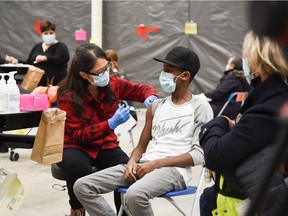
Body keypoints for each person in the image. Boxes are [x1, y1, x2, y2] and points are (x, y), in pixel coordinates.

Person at [73, 46, 214, 216]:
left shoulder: (200, 107)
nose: (163, 74)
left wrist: (155, 164)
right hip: (143, 165)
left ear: (185, 76)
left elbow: (199, 155)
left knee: (134, 194)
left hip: (174, 170)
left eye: (169, 71)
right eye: (163, 69)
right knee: (81, 186)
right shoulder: (156, 107)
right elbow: (140, 146)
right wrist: (132, 161)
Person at [56, 43, 158, 216]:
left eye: (107, 67)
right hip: (75, 145)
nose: (106, 74)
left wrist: (150, 96)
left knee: (129, 172)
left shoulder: (113, 83)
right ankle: (77, 209)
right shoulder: (68, 95)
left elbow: (139, 89)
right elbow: (79, 135)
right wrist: (110, 124)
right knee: (78, 169)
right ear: (83, 74)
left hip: (105, 144)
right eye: (100, 71)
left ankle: (124, 212)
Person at [199, 30, 288, 216]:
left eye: (247, 56)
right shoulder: (266, 96)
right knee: (207, 197)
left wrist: (217, 124)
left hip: (248, 200)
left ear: (258, 60)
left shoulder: (267, 108)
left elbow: (216, 156)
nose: (244, 61)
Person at [5, 20, 70, 86]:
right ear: (42, 34)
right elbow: (29, 63)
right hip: (37, 84)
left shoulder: (61, 46)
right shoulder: (37, 46)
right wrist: (17, 62)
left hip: (56, 84)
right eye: (46, 33)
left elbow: (61, 58)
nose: (49, 35)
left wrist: (45, 58)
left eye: (51, 33)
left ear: (55, 33)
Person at [105, 49, 137, 122]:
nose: (111, 64)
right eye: (109, 62)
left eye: (113, 61)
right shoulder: (105, 74)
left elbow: (128, 87)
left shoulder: (120, 72)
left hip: (124, 104)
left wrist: (115, 71)